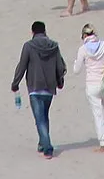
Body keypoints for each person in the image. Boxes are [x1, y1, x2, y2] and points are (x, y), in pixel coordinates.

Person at [11, 21, 65, 159]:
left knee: (39, 119)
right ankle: (42, 143)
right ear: (45, 31)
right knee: (44, 116)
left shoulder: (28, 46)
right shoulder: (54, 46)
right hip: (49, 87)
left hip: (35, 87)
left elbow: (22, 65)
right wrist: (60, 81)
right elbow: (61, 66)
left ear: (33, 32)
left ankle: (47, 148)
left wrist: (15, 83)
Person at [72, 24, 104, 153]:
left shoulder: (83, 49)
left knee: (97, 113)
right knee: (103, 112)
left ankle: (103, 144)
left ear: (84, 35)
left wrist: (76, 62)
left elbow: (76, 70)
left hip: (92, 84)